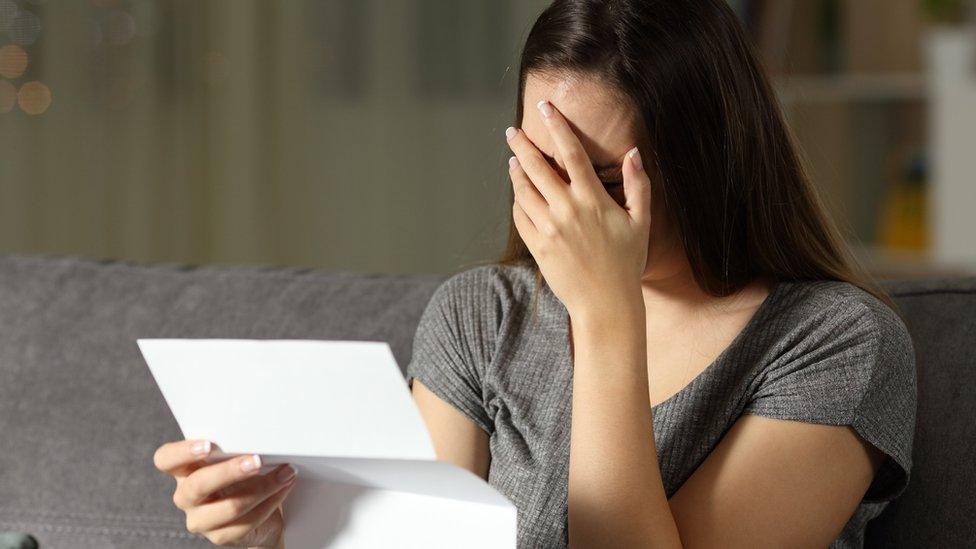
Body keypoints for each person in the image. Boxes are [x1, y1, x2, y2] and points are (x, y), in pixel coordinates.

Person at [152, 1, 917, 547]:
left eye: (604, 181)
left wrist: (608, 313)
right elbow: (415, 539)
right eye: (545, 169)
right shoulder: (482, 314)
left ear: (711, 161)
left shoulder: (838, 343)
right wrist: (272, 533)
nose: (567, 210)